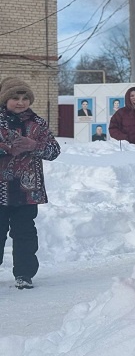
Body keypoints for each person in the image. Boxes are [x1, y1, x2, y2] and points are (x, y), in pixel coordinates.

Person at [0, 77, 61, 289]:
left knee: (25, 233)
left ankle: (24, 274)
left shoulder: (38, 123)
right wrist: (6, 148)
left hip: (27, 190)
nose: (20, 102)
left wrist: (33, 145)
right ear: (5, 99)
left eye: (25, 98)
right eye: (15, 97)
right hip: (1, 189)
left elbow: (54, 151)